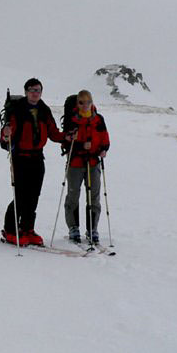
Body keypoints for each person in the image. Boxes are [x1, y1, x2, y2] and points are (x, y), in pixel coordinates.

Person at [0, 78, 70, 246]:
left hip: (37, 157)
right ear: (25, 91)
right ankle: (10, 229)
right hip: (20, 157)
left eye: (38, 90)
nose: (35, 93)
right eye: (31, 90)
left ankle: (27, 229)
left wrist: (66, 137)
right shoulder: (17, 109)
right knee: (21, 195)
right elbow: (6, 135)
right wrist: (6, 134)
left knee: (34, 195)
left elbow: (53, 133)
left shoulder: (44, 110)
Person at [62, 90, 110, 245]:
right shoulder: (72, 120)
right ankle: (73, 228)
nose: (85, 105)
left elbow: (105, 138)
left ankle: (92, 229)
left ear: (92, 102)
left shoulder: (98, 119)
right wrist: (81, 144)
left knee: (94, 196)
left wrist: (103, 149)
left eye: (88, 102)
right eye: (81, 102)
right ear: (77, 103)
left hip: (93, 162)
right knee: (73, 195)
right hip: (76, 162)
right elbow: (66, 142)